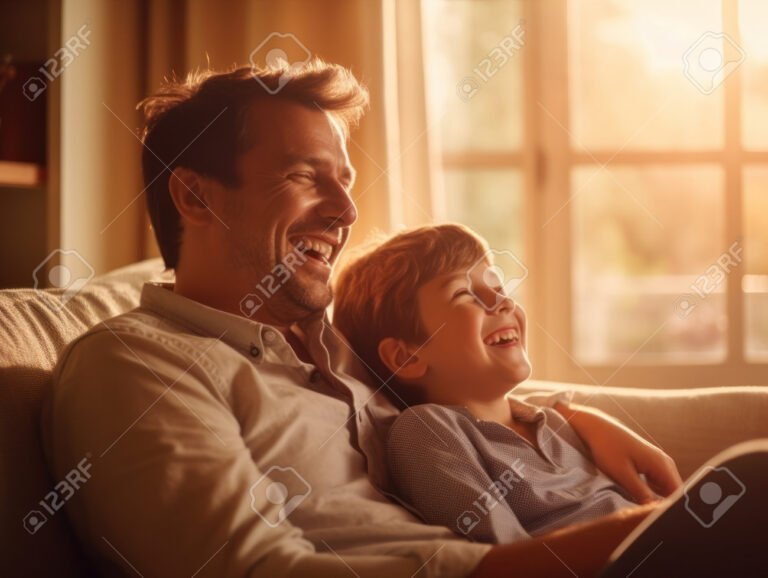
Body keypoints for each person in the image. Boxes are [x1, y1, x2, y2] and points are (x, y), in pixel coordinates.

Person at [40, 60, 700, 578]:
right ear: (195, 196)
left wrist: (571, 416)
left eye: (346, 182)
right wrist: (629, 537)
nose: (346, 212)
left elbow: (463, 384)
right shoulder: (136, 364)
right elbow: (248, 570)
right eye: (306, 177)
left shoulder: (339, 348)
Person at [333, 223, 768, 576]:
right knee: (753, 475)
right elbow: (506, 558)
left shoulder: (556, 421)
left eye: (497, 285)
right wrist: (661, 522)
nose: (501, 301)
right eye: (465, 294)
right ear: (408, 356)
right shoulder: (428, 430)